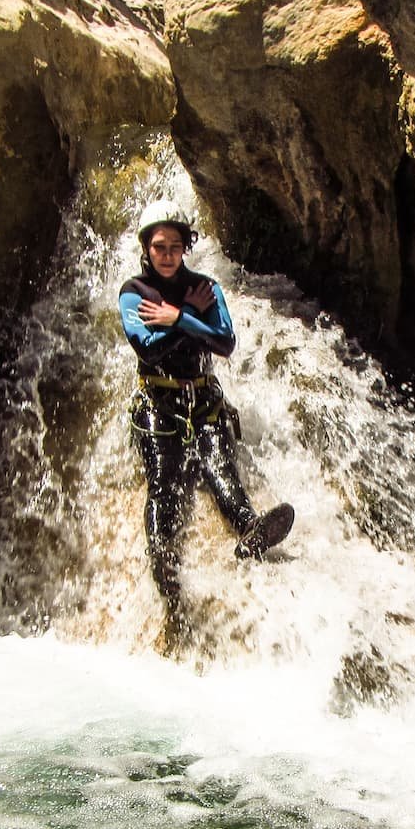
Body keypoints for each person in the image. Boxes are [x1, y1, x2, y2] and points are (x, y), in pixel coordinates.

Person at [119, 200, 295, 625]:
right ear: (147, 248)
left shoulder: (206, 288)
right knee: (164, 484)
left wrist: (179, 316)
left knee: (221, 467)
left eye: (175, 247)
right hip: (159, 407)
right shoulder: (133, 292)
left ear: (185, 249)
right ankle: (165, 566)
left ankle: (250, 530)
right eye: (159, 247)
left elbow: (226, 343)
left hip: (206, 401)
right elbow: (148, 347)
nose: (167, 254)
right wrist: (188, 319)